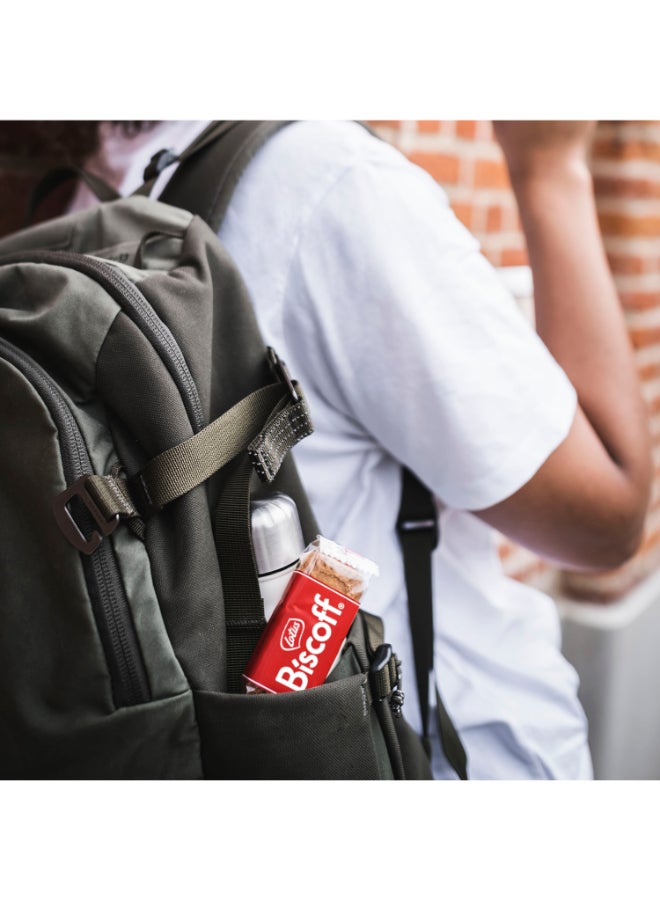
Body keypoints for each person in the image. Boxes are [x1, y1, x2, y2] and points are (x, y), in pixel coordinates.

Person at [59, 119, 651, 779]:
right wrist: (550, 171)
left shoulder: (91, 197)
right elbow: (605, 521)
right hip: (436, 757)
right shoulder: (334, 184)